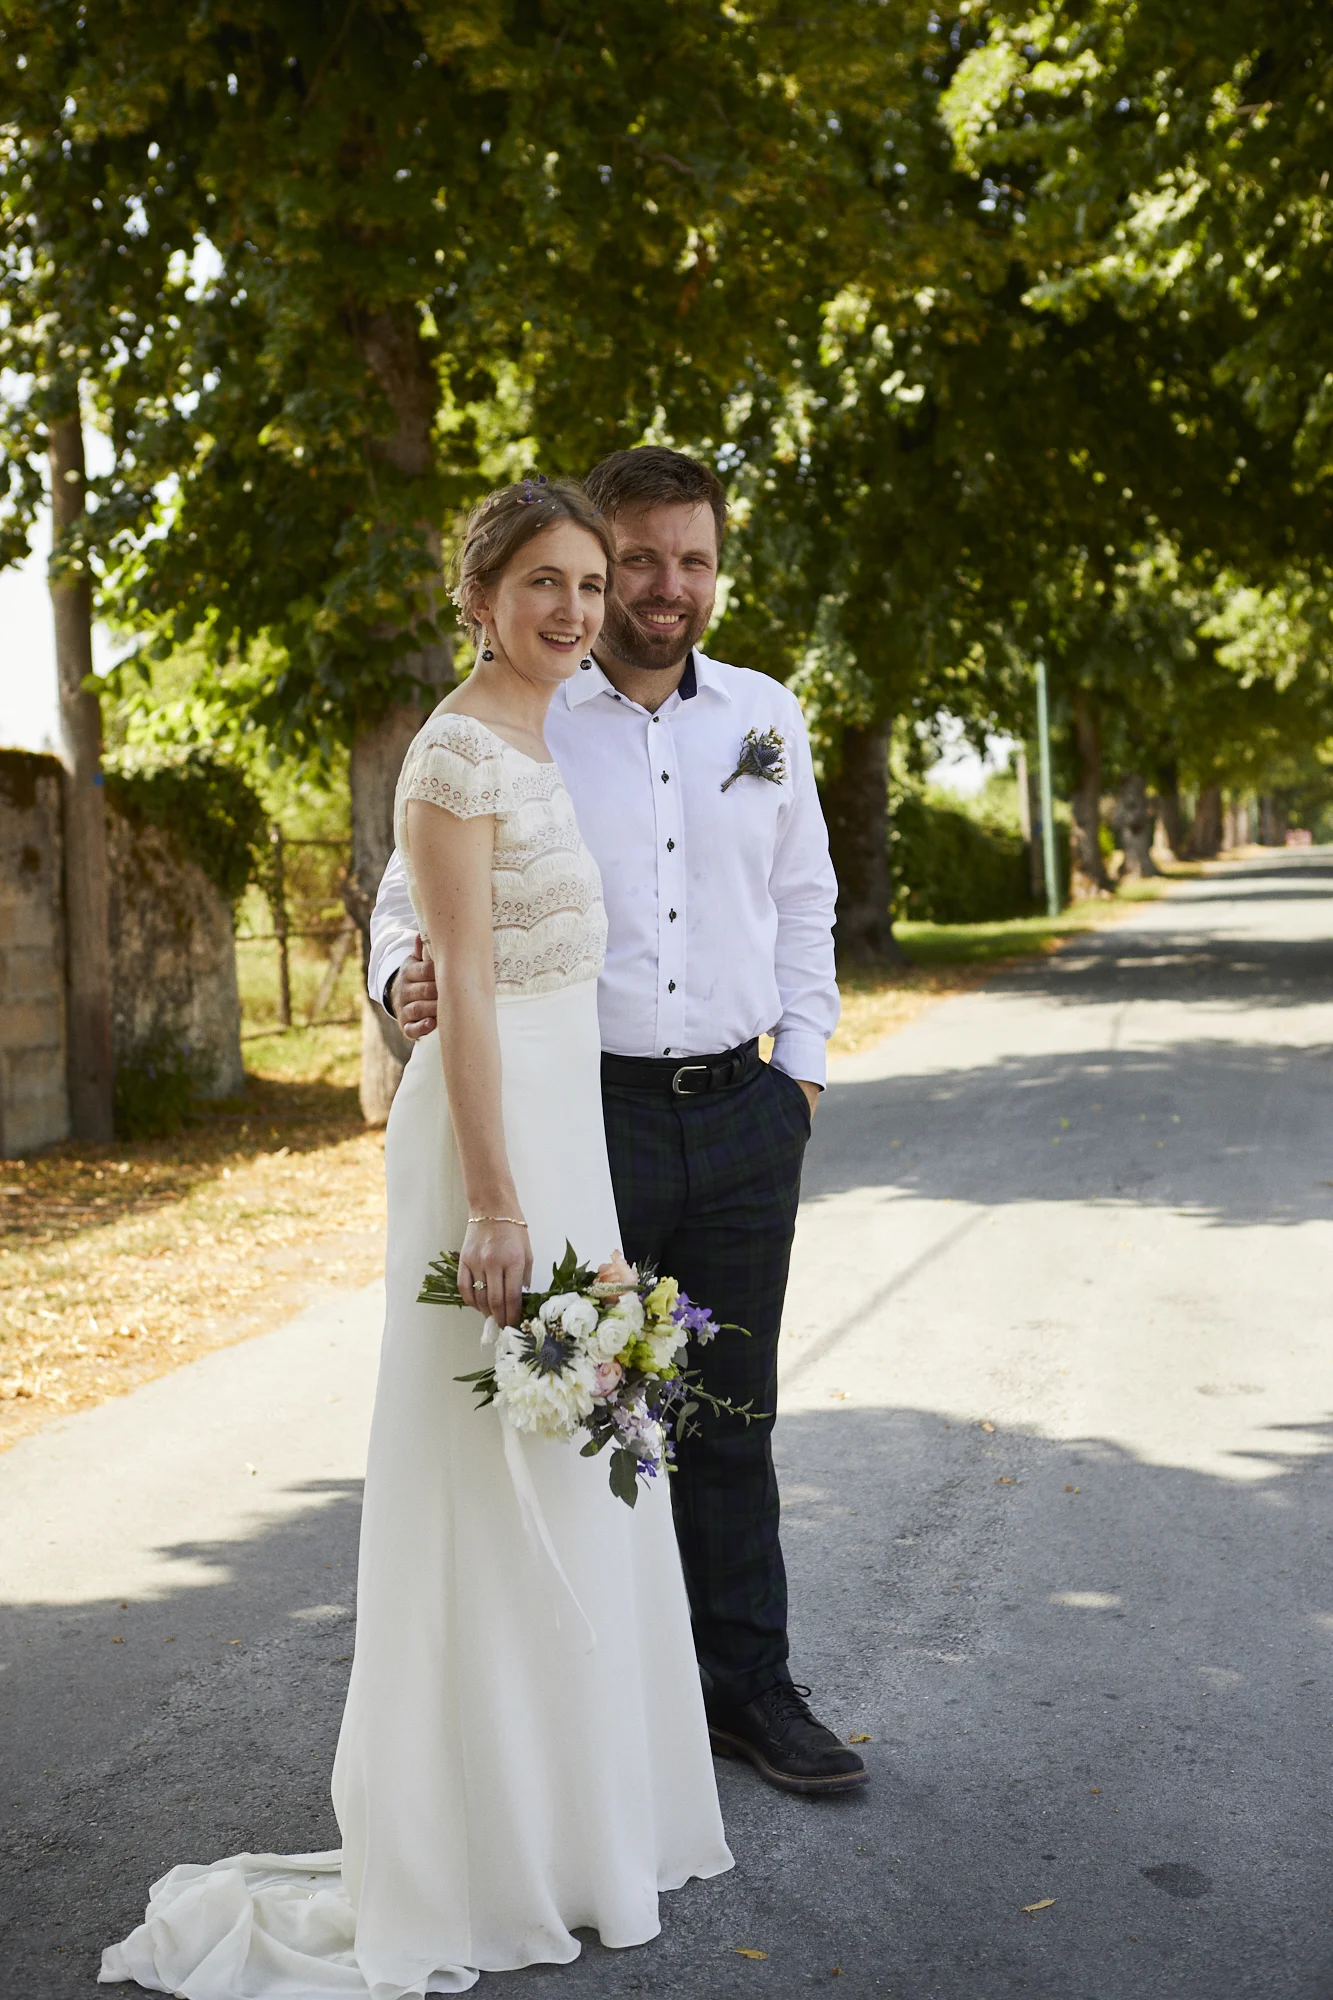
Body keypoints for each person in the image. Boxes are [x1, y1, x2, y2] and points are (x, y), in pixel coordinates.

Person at [101, 481, 733, 1999]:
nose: (578, 612)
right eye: (546, 586)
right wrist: (501, 1207)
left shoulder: (540, 731)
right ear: (481, 595)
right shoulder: (456, 755)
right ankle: (486, 1845)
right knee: (495, 1466)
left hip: (561, 1130)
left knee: (573, 1456)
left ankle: (579, 1826)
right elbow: (444, 961)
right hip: (493, 1140)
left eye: (593, 585)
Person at [371, 447, 864, 1797]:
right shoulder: (530, 708)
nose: (658, 587)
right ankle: (611, 1722)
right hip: (587, 1116)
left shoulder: (763, 716)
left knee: (733, 1417)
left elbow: (807, 897)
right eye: (632, 559)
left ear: (716, 572)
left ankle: (749, 1693)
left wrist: (802, 1082)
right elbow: (412, 905)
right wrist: (394, 982)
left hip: (745, 1110)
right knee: (592, 1413)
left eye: (687, 560)